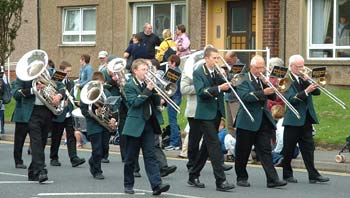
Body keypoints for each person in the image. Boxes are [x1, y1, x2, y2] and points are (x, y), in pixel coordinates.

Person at [234, 55, 287, 188]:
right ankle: (241, 177)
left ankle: (272, 179)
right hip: (247, 119)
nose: (261, 70)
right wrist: (264, 91)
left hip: (263, 119)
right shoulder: (242, 79)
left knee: (265, 150)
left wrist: (273, 87)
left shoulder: (263, 79)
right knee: (243, 151)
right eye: (258, 68)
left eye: (263, 67)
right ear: (251, 67)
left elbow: (273, 96)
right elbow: (245, 97)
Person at [13, 52, 66, 183]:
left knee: (42, 142)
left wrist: (58, 96)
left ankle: (33, 171)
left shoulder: (48, 74)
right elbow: (16, 94)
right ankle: (42, 170)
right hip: (32, 112)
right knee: (36, 142)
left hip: (46, 111)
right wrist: (33, 89)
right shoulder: (23, 76)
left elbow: (62, 86)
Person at [188, 46, 235, 192]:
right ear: (206, 58)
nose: (217, 61)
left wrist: (227, 78)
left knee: (207, 147)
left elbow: (228, 85)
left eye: (217, 58)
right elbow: (201, 92)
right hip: (204, 114)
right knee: (214, 144)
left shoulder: (216, 71)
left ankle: (193, 175)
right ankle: (220, 181)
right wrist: (220, 88)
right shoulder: (198, 73)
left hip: (216, 112)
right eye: (214, 58)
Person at [122, 59, 170, 195]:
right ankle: (128, 184)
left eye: (147, 69)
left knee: (150, 156)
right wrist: (148, 90)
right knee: (131, 157)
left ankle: (156, 185)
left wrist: (160, 98)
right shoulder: (129, 86)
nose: (146, 72)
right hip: (135, 125)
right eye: (143, 69)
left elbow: (153, 101)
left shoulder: (150, 84)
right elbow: (134, 103)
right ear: (135, 71)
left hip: (148, 124)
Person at [281, 54, 330, 184]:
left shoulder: (304, 77)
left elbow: (318, 93)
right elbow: (291, 99)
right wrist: (306, 91)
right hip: (293, 118)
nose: (302, 69)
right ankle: (287, 174)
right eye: (299, 67)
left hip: (306, 118)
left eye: (303, 66)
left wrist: (310, 81)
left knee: (309, 148)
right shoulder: (285, 79)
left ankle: (313, 174)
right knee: (288, 149)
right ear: (291, 66)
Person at [80, 71, 117, 180]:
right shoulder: (87, 92)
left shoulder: (106, 92)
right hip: (93, 124)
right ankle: (97, 171)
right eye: (97, 84)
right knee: (97, 149)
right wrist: (93, 113)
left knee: (104, 148)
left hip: (105, 124)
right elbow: (83, 109)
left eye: (101, 84)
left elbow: (113, 107)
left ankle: (92, 161)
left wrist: (114, 118)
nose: (99, 86)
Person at [49, 61, 86, 167]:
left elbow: (72, 96)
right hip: (58, 113)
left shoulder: (71, 83)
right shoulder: (55, 81)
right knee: (56, 136)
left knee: (71, 136)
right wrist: (61, 102)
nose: (68, 74)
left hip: (69, 113)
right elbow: (52, 95)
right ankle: (54, 157)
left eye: (70, 71)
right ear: (61, 70)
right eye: (67, 71)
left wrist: (76, 102)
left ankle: (74, 158)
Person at [164, 55, 182, 151]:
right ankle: (175, 142)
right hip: (175, 98)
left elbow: (168, 86)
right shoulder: (177, 71)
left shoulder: (174, 72)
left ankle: (174, 143)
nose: (168, 64)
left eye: (169, 62)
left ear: (173, 63)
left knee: (172, 121)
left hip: (174, 98)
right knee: (173, 120)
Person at [11, 78, 30, 169]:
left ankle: (37, 160)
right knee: (19, 140)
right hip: (21, 114)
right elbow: (16, 95)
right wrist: (32, 90)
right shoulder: (20, 79)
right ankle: (18, 160)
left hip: (34, 113)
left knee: (37, 139)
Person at [223, 51, 241, 137]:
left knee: (236, 123)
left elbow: (236, 81)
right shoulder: (229, 67)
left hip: (235, 99)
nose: (227, 62)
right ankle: (230, 145)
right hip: (227, 97)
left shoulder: (239, 66)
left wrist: (227, 75)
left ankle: (237, 143)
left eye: (229, 60)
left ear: (234, 58)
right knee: (229, 124)